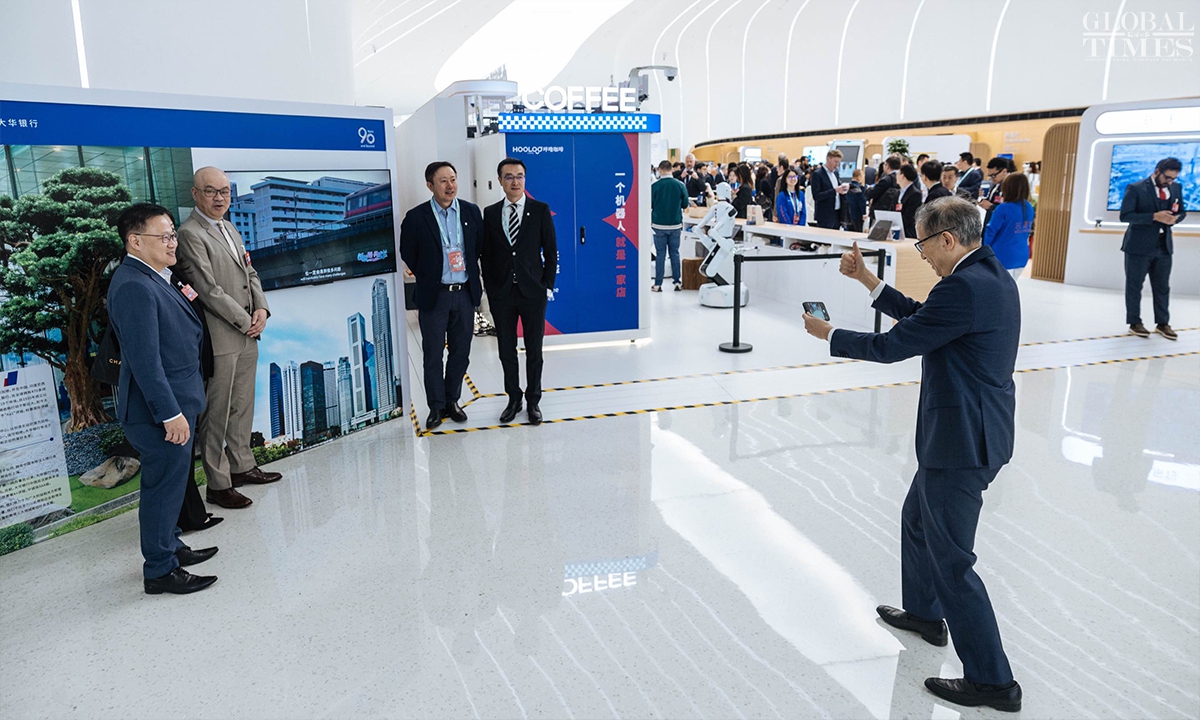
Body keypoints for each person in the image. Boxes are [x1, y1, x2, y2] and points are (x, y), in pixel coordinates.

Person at [802, 196, 1022, 713]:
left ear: (947, 238)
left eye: (923, 245)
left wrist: (830, 334)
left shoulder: (964, 287)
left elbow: (894, 346)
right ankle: (924, 615)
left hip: (961, 443)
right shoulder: (988, 275)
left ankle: (993, 682)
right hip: (970, 431)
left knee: (953, 563)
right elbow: (927, 319)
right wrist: (868, 281)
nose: (921, 255)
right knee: (917, 522)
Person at [108, 203, 218, 595]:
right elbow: (145, 361)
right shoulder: (134, 285)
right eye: (165, 236)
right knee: (161, 488)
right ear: (135, 241)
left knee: (172, 485)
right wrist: (169, 413)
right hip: (159, 410)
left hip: (177, 400)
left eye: (173, 234)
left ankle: (170, 546)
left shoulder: (155, 276)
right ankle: (159, 570)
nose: (173, 242)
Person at [174, 167, 280, 511]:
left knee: (242, 405)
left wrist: (261, 309)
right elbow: (207, 290)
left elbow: (250, 271)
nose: (219, 198)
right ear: (195, 194)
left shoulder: (230, 227)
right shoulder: (190, 234)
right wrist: (244, 321)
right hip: (221, 336)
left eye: (225, 192)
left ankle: (243, 466)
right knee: (217, 413)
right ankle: (218, 485)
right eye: (211, 191)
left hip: (248, 332)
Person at [400, 161, 484, 430]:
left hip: (464, 293)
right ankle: (435, 406)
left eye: (453, 179)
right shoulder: (416, 217)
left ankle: (452, 400)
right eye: (443, 181)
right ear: (430, 185)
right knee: (433, 354)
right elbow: (407, 251)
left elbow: (478, 248)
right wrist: (429, 274)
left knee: (461, 352)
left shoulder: (471, 212)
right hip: (435, 296)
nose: (450, 186)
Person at [481, 158, 558, 426]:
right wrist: (490, 287)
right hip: (502, 293)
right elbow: (486, 254)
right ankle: (513, 399)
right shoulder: (491, 213)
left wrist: (546, 285)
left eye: (520, 176)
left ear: (525, 179)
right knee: (506, 350)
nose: (515, 182)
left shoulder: (540, 210)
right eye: (509, 177)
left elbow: (551, 250)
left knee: (534, 350)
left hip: (532, 292)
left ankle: (533, 400)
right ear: (500, 181)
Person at [1120, 156, 1185, 340]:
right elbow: (1125, 216)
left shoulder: (1176, 188)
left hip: (1164, 246)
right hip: (1138, 246)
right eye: (1167, 178)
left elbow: (1182, 212)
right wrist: (1154, 216)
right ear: (1157, 171)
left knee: (1162, 287)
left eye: (1173, 179)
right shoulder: (1136, 188)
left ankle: (1163, 323)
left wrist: (1175, 219)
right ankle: (1135, 322)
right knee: (1134, 286)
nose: (1170, 182)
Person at [983, 172, 1034, 280]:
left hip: (1002, 255)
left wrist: (983, 252)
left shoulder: (1003, 208)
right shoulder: (1029, 207)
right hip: (1021, 254)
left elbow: (991, 232)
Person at [651, 159, 689, 292]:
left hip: (658, 225)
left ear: (660, 170)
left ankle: (658, 284)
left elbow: (650, 204)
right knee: (675, 253)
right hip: (675, 225)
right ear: (671, 170)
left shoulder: (654, 186)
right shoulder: (680, 185)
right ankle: (677, 282)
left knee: (660, 254)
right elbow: (685, 204)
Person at [810, 149, 848, 229]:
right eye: (835, 161)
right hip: (825, 215)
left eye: (838, 162)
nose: (837, 165)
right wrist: (835, 191)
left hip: (837, 213)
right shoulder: (817, 174)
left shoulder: (835, 173)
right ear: (828, 159)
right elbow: (816, 196)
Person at [867, 155, 902, 222]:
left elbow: (873, 193)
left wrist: (868, 190)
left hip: (881, 213)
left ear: (887, 166)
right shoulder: (902, 178)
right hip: (895, 212)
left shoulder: (886, 180)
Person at [980, 157, 1012, 229]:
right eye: (990, 176)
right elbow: (993, 200)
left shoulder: (1011, 187)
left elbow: (1011, 210)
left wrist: (991, 206)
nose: (992, 178)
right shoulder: (996, 184)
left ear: (1004, 171)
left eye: (994, 175)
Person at [895, 164, 922, 238]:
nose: (896, 176)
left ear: (902, 176)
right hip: (895, 229)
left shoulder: (915, 194)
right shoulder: (897, 192)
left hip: (907, 232)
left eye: (898, 174)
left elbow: (910, 216)